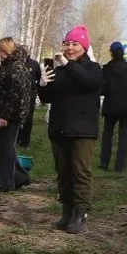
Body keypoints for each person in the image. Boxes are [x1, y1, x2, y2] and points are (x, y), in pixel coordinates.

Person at [40, 25, 105, 234]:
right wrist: (42, 84)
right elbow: (47, 98)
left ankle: (80, 215)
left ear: (84, 47)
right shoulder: (60, 71)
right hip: (60, 128)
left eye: (75, 44)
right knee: (63, 172)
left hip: (83, 130)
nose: (70, 47)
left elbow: (87, 83)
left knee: (80, 172)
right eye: (67, 43)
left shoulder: (94, 69)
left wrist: (68, 65)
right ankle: (67, 212)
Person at [0, 37, 39, 191]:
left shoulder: (16, 68)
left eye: (1, 51)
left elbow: (15, 95)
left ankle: (6, 182)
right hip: (0, 113)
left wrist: (6, 116)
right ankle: (20, 177)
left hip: (9, 116)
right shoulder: (7, 66)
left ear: (7, 51)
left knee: (6, 149)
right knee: (5, 147)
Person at [99, 42, 127, 173]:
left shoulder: (106, 69)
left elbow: (103, 90)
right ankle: (121, 167)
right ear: (123, 53)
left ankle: (104, 163)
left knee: (107, 135)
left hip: (111, 106)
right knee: (124, 136)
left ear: (111, 53)